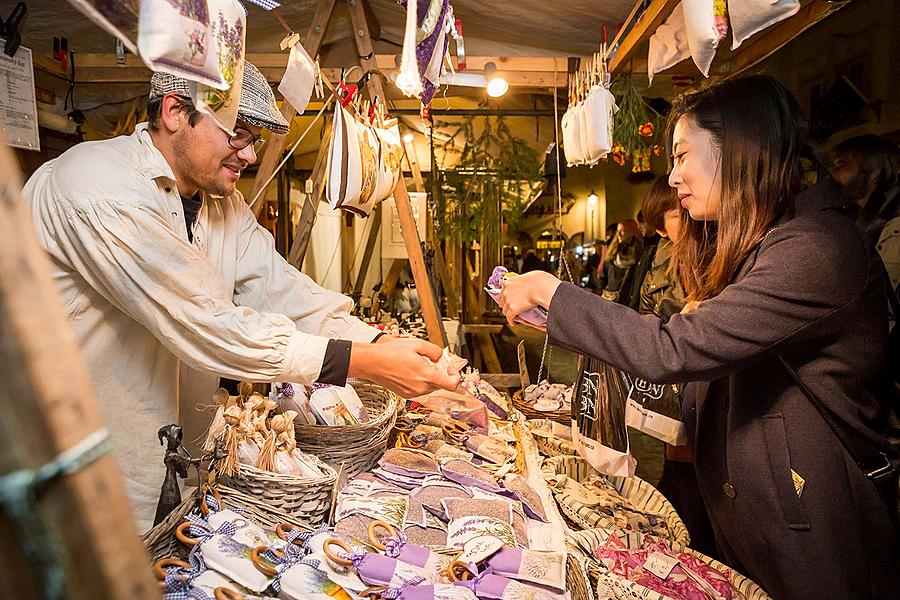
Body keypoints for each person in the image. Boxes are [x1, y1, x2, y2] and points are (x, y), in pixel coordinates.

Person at [498, 75, 899, 598]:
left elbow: (674, 347)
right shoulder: (768, 241)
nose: (674, 177)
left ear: (737, 152)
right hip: (764, 515)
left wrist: (555, 294)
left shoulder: (814, 250)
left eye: (683, 155)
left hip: (816, 527)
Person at [23, 64, 459, 529]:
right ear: (174, 112)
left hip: (172, 458)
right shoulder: (96, 186)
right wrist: (363, 363)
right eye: (239, 135)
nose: (249, 155)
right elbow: (206, 326)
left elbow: (280, 289)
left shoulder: (221, 205)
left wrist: (378, 344)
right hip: (73, 465)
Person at [830, 134, 900, 243]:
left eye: (841, 164)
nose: (832, 172)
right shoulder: (851, 212)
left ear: (875, 172)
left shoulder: (893, 220)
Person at [596, 219, 643, 302]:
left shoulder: (639, 254)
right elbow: (603, 276)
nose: (619, 234)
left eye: (622, 231)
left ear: (631, 232)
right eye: (618, 231)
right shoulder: (612, 253)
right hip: (610, 299)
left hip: (627, 300)